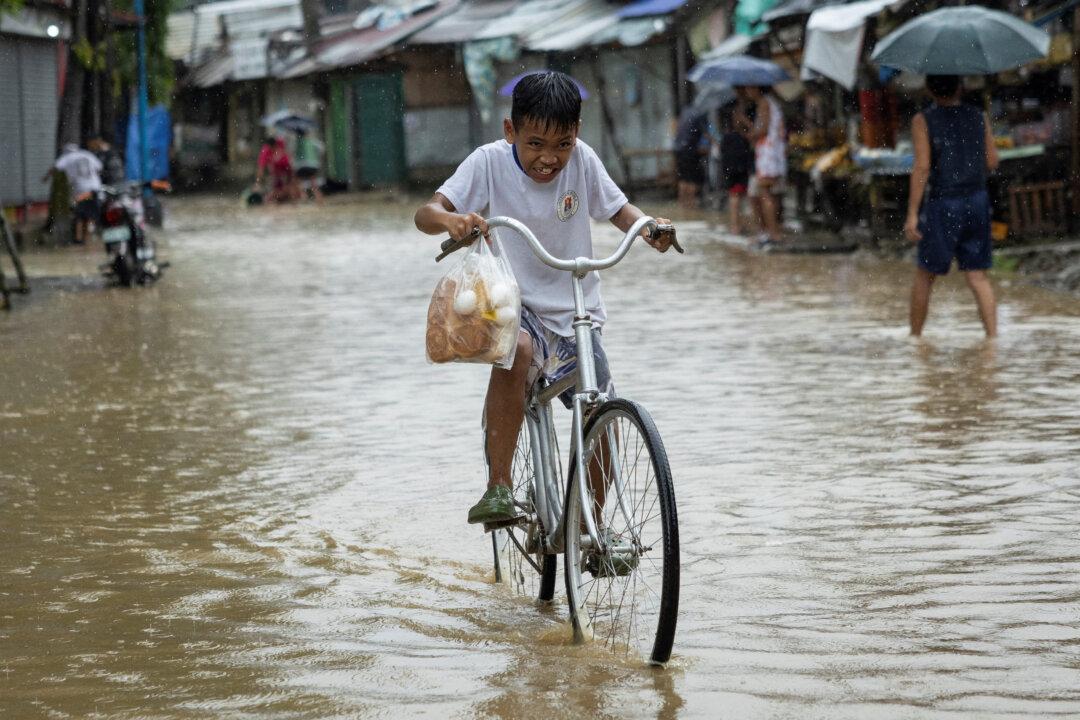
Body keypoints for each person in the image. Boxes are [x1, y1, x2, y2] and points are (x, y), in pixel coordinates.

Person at [414, 71, 675, 539]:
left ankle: (587, 528)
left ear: (577, 135)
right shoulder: (488, 162)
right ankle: (498, 484)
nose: (549, 158)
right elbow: (425, 214)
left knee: (602, 412)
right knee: (518, 353)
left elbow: (619, 209)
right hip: (513, 302)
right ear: (510, 131)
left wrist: (649, 227)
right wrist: (453, 220)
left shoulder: (584, 161)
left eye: (563, 144)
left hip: (577, 307)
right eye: (536, 144)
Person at [905, 74, 999, 339]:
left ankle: (915, 341)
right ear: (961, 86)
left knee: (925, 275)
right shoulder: (979, 116)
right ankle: (992, 340)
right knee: (977, 276)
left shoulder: (923, 120)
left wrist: (912, 214)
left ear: (928, 89)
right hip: (977, 201)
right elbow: (992, 161)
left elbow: (922, 167)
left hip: (944, 203)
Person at [737, 85, 787, 247]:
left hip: (768, 153)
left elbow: (763, 130)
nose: (748, 91)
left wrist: (746, 132)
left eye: (750, 88)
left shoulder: (764, 103)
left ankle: (773, 233)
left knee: (765, 194)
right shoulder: (771, 103)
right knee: (768, 194)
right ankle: (772, 232)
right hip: (772, 152)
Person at [49, 143, 103, 244]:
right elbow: (99, 167)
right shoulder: (87, 154)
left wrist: (46, 177)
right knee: (89, 215)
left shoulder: (67, 157)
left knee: (80, 215)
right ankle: (86, 239)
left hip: (81, 189)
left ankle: (79, 239)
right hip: (94, 188)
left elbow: (56, 167)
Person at [719, 103, 754, 235]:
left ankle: (737, 225)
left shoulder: (729, 136)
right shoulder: (737, 136)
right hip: (737, 170)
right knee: (736, 197)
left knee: (737, 197)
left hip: (734, 169)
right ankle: (736, 226)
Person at [674, 108, 708, 208]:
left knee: (683, 179)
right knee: (692, 179)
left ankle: (682, 204)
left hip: (679, 151)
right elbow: (705, 134)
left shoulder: (685, 113)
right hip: (690, 152)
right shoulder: (700, 115)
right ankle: (690, 204)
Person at [255, 136, 297, 203]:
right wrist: (257, 183)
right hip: (277, 175)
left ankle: (285, 194)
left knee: (289, 191)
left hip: (286, 172)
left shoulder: (281, 148)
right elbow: (261, 168)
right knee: (275, 192)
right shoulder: (266, 151)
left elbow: (290, 167)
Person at [293, 129, 324, 204]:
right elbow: (321, 148)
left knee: (298, 181)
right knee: (313, 182)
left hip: (301, 166)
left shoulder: (297, 142)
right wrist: (316, 157)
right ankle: (318, 198)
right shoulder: (312, 141)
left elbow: (293, 153)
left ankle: (304, 197)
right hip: (313, 165)